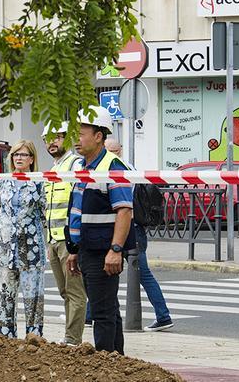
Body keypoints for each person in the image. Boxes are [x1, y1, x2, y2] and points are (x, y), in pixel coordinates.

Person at [65, 106, 136, 355]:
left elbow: (124, 211)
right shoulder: (83, 167)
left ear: (99, 135)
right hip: (88, 249)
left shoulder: (112, 167)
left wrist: (115, 249)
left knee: (101, 313)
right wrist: (74, 250)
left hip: (103, 251)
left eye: (81, 132)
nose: (76, 138)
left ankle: (105, 364)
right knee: (108, 309)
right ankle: (117, 362)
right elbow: (78, 212)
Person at [104, 138, 174, 333]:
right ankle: (90, 315)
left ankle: (163, 316)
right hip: (132, 228)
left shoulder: (119, 169)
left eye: (110, 150)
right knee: (108, 270)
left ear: (118, 151)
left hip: (129, 227)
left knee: (141, 273)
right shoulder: (129, 167)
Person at [0, 140, 46, 338]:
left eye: (23, 155)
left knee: (33, 298)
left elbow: (43, 212)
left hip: (31, 249)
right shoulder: (2, 180)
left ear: (32, 159)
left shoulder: (39, 182)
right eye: (15, 154)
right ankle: (5, 336)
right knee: (4, 296)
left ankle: (34, 337)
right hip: (5, 249)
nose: (19, 158)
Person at [43, 123, 87, 345]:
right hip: (53, 240)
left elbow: (80, 203)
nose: (52, 142)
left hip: (69, 241)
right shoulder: (53, 170)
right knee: (64, 292)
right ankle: (71, 337)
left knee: (75, 292)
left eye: (57, 137)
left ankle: (72, 339)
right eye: (48, 138)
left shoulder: (76, 164)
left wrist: (75, 245)